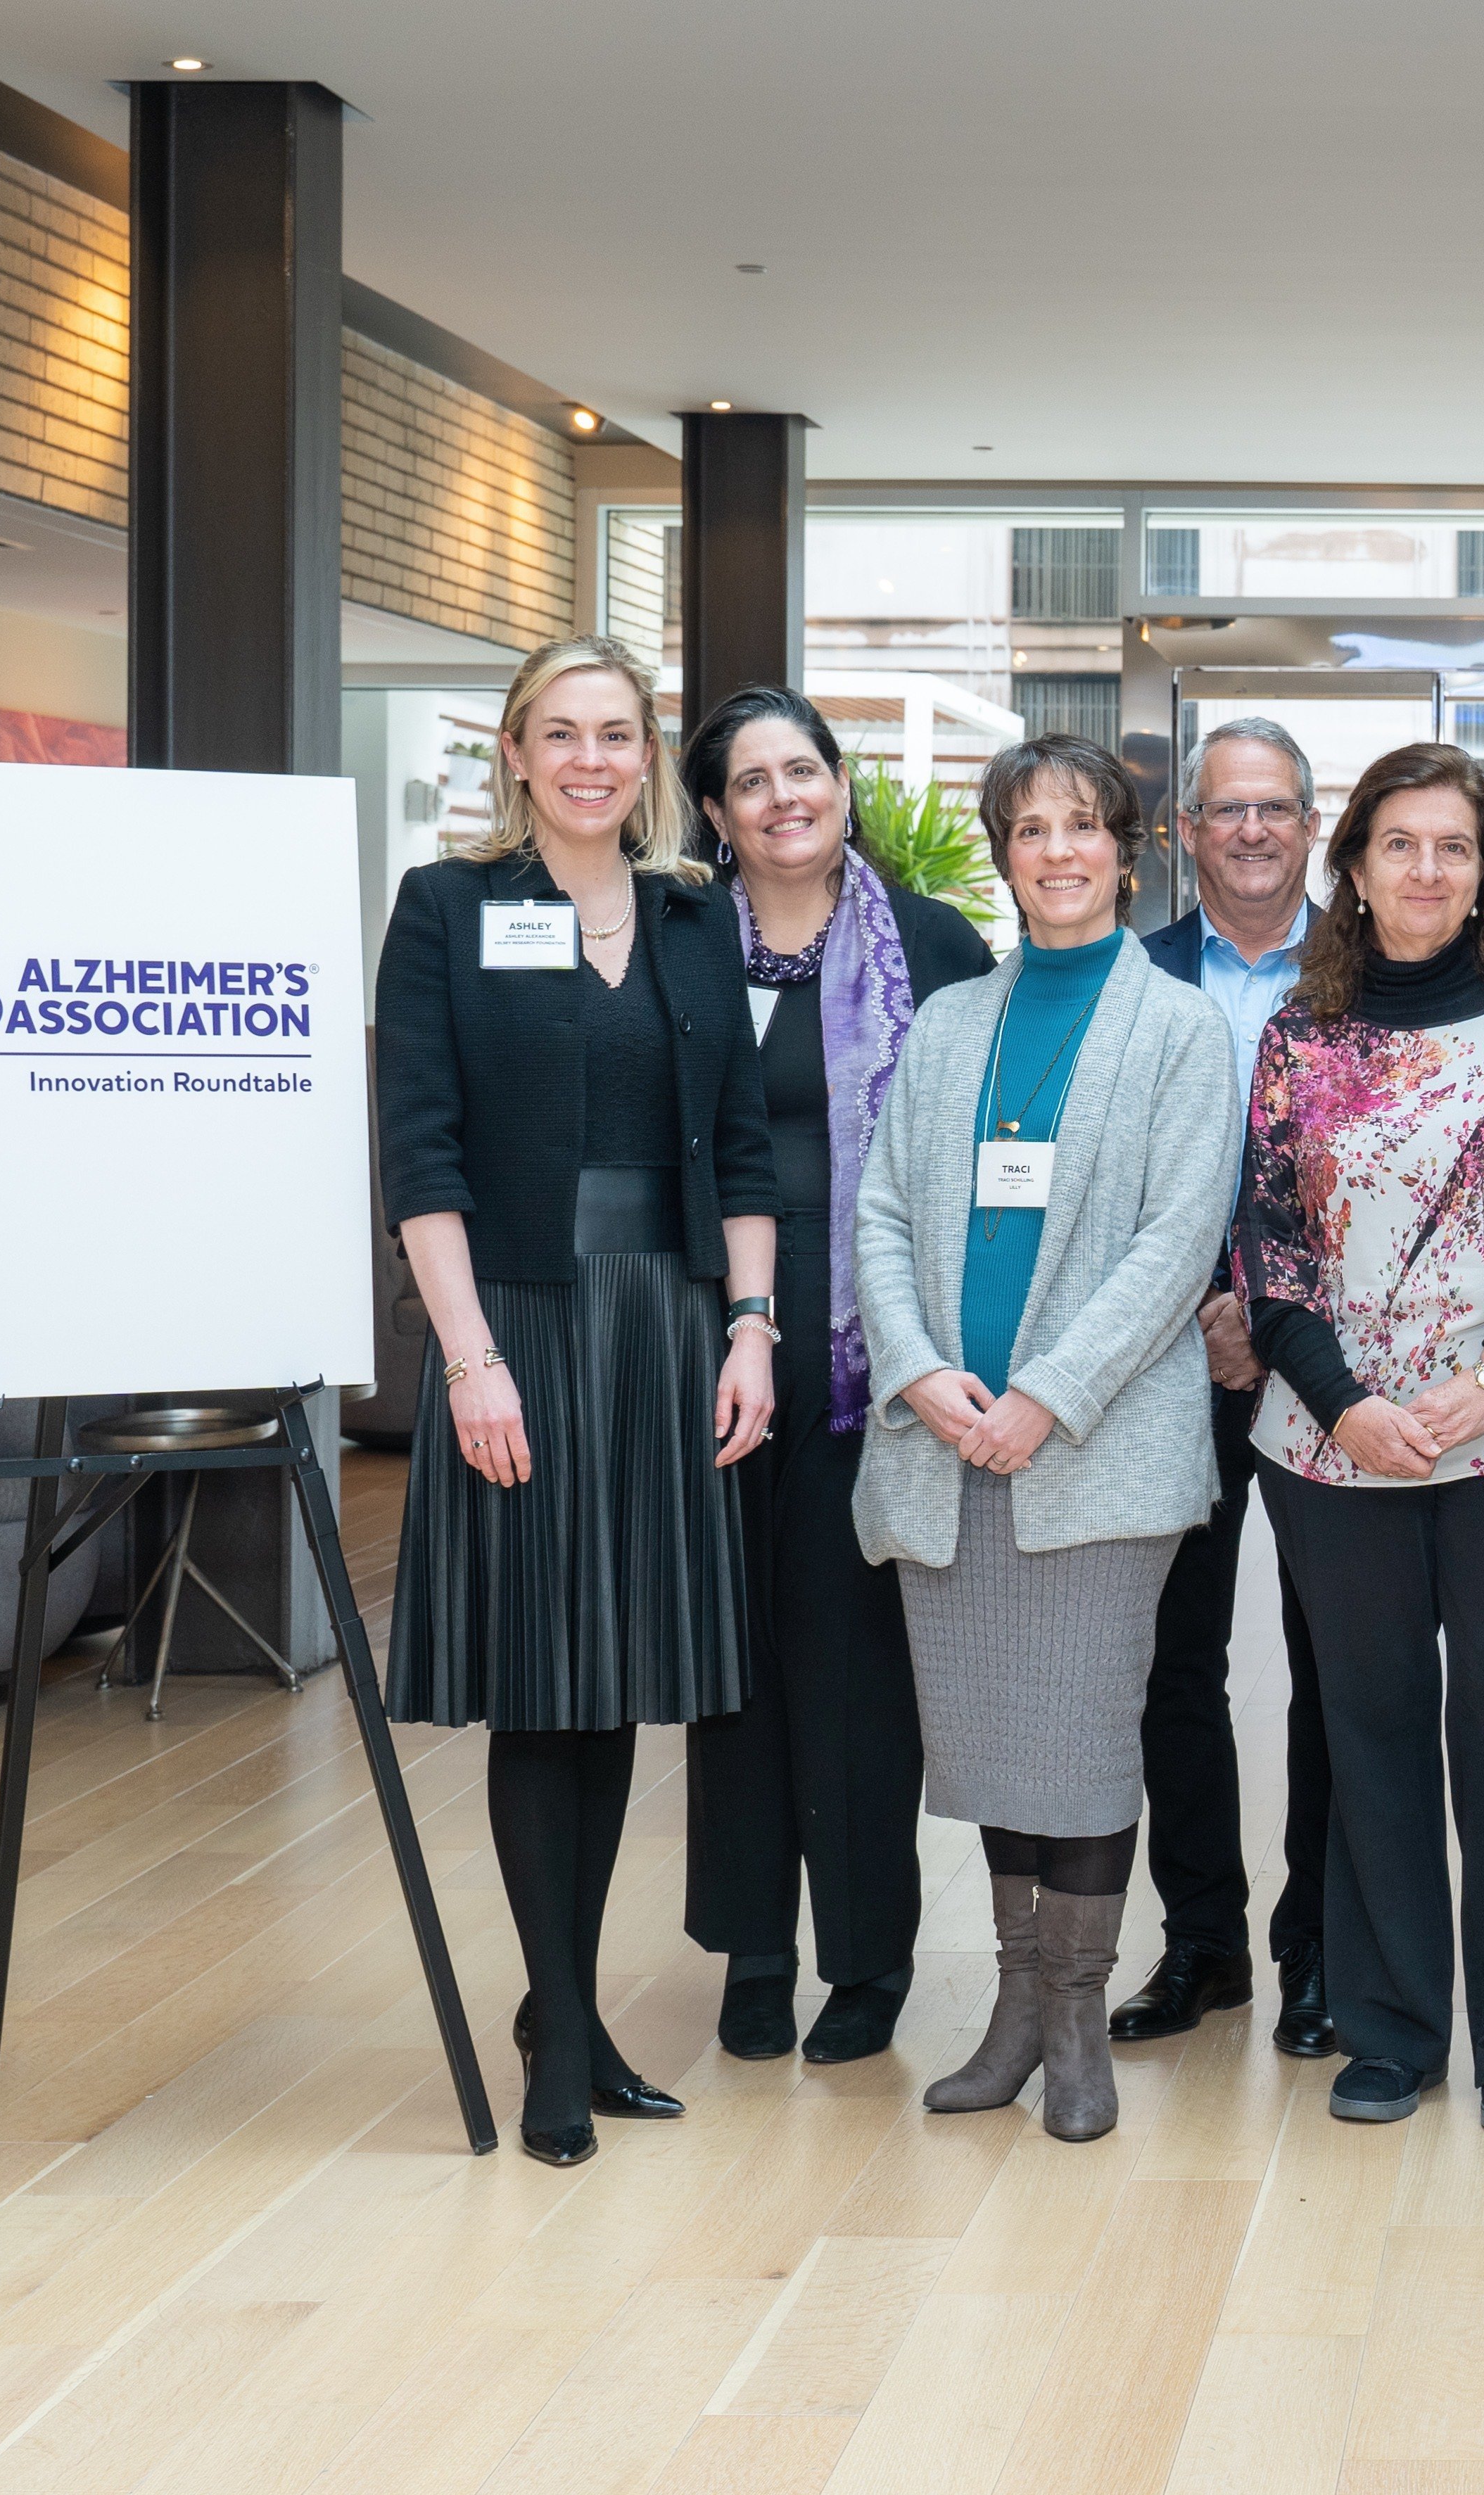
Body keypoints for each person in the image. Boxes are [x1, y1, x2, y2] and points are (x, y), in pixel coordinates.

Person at [378, 635, 780, 2167]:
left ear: (647, 752)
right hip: (523, 1327)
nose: (592, 759)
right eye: (563, 733)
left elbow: (738, 1144)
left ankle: (572, 2006)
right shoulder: (449, 906)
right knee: (542, 1679)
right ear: (516, 752)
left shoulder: (691, 912)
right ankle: (554, 2027)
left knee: (611, 1677)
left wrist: (747, 1328)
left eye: (617, 733)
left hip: (665, 1326)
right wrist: (468, 1356)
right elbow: (421, 1151)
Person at [1239, 742, 1484, 2134]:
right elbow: (1271, 1255)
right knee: (1372, 1727)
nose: (1423, 870)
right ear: (1351, 865)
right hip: (1338, 1443)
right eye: (1397, 844)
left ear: (1483, 875)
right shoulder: (1298, 1037)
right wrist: (1347, 1401)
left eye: (1450, 848)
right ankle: (1387, 2025)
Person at [851, 733, 1235, 2140]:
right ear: (1003, 853)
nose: (1055, 851)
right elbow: (882, 1213)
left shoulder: (1183, 1028)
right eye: (1028, 828)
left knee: (1076, 1740)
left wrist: (1045, 1394)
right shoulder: (949, 1020)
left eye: (1082, 825)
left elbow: (1176, 1239)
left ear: (1126, 850)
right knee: (991, 1741)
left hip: (1096, 1451)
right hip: (943, 1443)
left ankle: (1078, 2024)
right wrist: (923, 1370)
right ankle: (1014, 2007)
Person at [676, 685, 995, 2071]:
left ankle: (866, 1959)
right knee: (729, 1650)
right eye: (749, 781)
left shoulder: (927, 943)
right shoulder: (677, 942)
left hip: (883, 1347)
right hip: (712, 1334)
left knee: (860, 1661)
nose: (781, 796)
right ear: (712, 812)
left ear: (840, 780)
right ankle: (752, 1946)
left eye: (801, 768)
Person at [1119, 716, 1337, 2059]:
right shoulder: (1128, 978)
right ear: (1184, 834)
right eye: (1225, 811)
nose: (1251, 831)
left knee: (1338, 1662)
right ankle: (1203, 1942)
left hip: (1325, 1368)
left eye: (1276, 809)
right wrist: (1196, 1308)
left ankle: (1318, 1947)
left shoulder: (1380, 974)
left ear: (1313, 826)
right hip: (1167, 1366)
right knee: (1169, 1664)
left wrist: (1266, 1310)